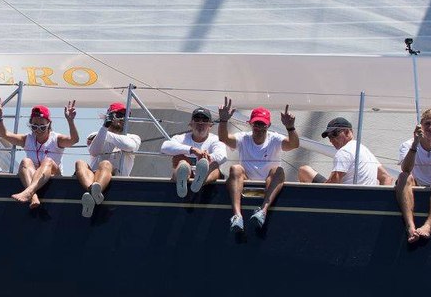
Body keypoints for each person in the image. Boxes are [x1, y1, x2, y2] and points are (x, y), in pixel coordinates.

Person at [218, 97, 300, 233]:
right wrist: (223, 120)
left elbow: (294, 144)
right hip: (246, 181)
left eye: (262, 124)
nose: (259, 128)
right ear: (250, 124)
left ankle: (263, 211)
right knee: (235, 168)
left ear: (268, 126)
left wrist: (290, 127)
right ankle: (237, 216)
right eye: (256, 124)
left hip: (270, 182)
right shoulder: (244, 138)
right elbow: (224, 138)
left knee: (278, 170)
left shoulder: (274, 138)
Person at [0, 101, 78, 209]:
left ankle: (29, 193)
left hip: (54, 176)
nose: (38, 130)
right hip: (34, 177)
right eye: (34, 127)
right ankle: (33, 196)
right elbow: (4, 134)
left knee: (48, 161)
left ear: (49, 125)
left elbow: (74, 140)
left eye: (42, 127)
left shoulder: (56, 139)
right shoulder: (27, 139)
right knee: (25, 161)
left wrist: (70, 120)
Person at [394, 108, 431, 243]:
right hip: (414, 184)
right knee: (404, 176)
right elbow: (406, 168)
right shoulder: (408, 144)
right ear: (421, 125)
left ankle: (429, 224)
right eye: (427, 124)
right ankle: (410, 225)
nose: (430, 127)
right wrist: (415, 143)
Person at [74, 102, 141, 218]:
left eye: (126, 116)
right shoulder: (98, 134)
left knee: (105, 164)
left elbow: (129, 145)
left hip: (117, 180)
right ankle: (93, 191)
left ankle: (92, 195)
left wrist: (105, 132)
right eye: (119, 114)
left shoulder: (133, 137)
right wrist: (105, 128)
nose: (123, 118)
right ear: (110, 115)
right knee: (79, 163)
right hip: (93, 177)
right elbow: (94, 151)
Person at [298, 117, 393, 186]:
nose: (331, 139)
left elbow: (332, 185)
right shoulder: (364, 150)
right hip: (367, 202)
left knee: (304, 171)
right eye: (329, 136)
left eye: (335, 134)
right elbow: (387, 177)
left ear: (348, 132)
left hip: (346, 201)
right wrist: (380, 201)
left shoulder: (344, 151)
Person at [160, 107, 228, 198]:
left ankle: (200, 182)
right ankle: (183, 182)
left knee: (214, 165)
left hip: (208, 176)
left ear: (210, 125)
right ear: (191, 123)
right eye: (197, 119)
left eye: (204, 120)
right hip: (187, 175)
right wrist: (192, 150)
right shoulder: (180, 138)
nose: (200, 122)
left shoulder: (215, 140)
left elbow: (223, 156)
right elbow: (165, 147)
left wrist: (207, 157)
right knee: (182, 162)